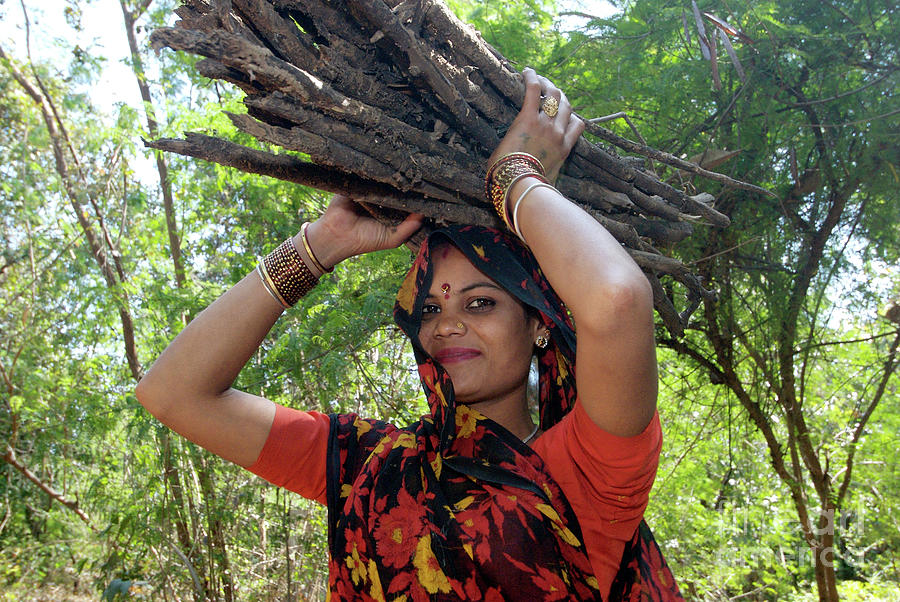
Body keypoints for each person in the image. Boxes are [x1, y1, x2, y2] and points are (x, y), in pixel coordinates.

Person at [136, 69, 682, 600]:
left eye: (482, 302)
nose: (446, 324)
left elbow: (617, 300)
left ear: (539, 323)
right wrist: (321, 244)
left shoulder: (592, 467)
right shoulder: (368, 466)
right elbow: (172, 393)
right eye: (428, 308)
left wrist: (513, 176)